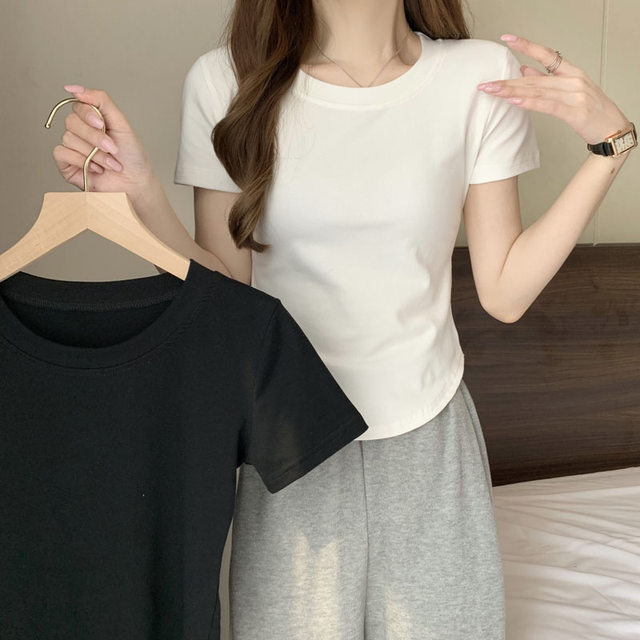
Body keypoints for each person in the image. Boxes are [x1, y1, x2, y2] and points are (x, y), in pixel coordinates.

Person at [55, 1, 635, 638]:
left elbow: (504, 293)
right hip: (290, 441)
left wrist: (610, 148)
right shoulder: (226, 80)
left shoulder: (478, 75)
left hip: (429, 435)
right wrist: (141, 201)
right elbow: (227, 298)